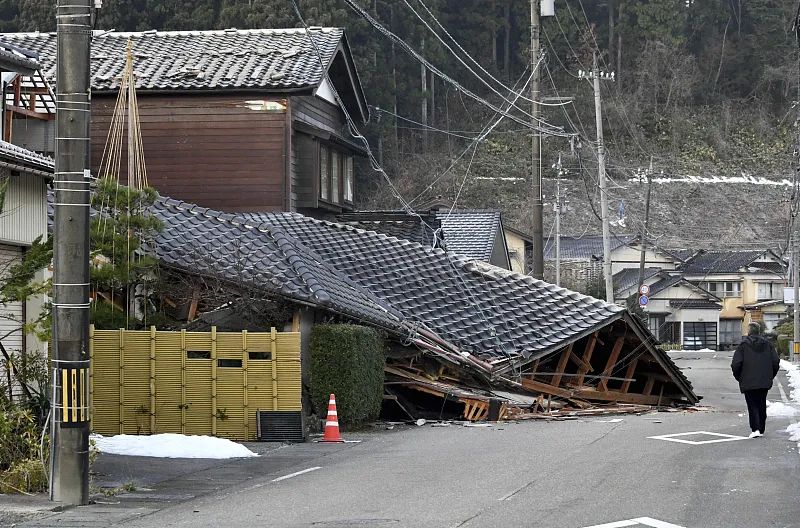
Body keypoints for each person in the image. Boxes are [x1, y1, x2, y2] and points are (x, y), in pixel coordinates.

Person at [731, 322, 780, 438]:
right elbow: (775, 362)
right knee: (761, 403)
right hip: (764, 381)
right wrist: (770, 376)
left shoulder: (743, 346)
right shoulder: (768, 345)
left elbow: (736, 364)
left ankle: (755, 429)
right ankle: (761, 428)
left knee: (752, 405)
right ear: (759, 331)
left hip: (748, 381)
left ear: (749, 332)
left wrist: (740, 377)